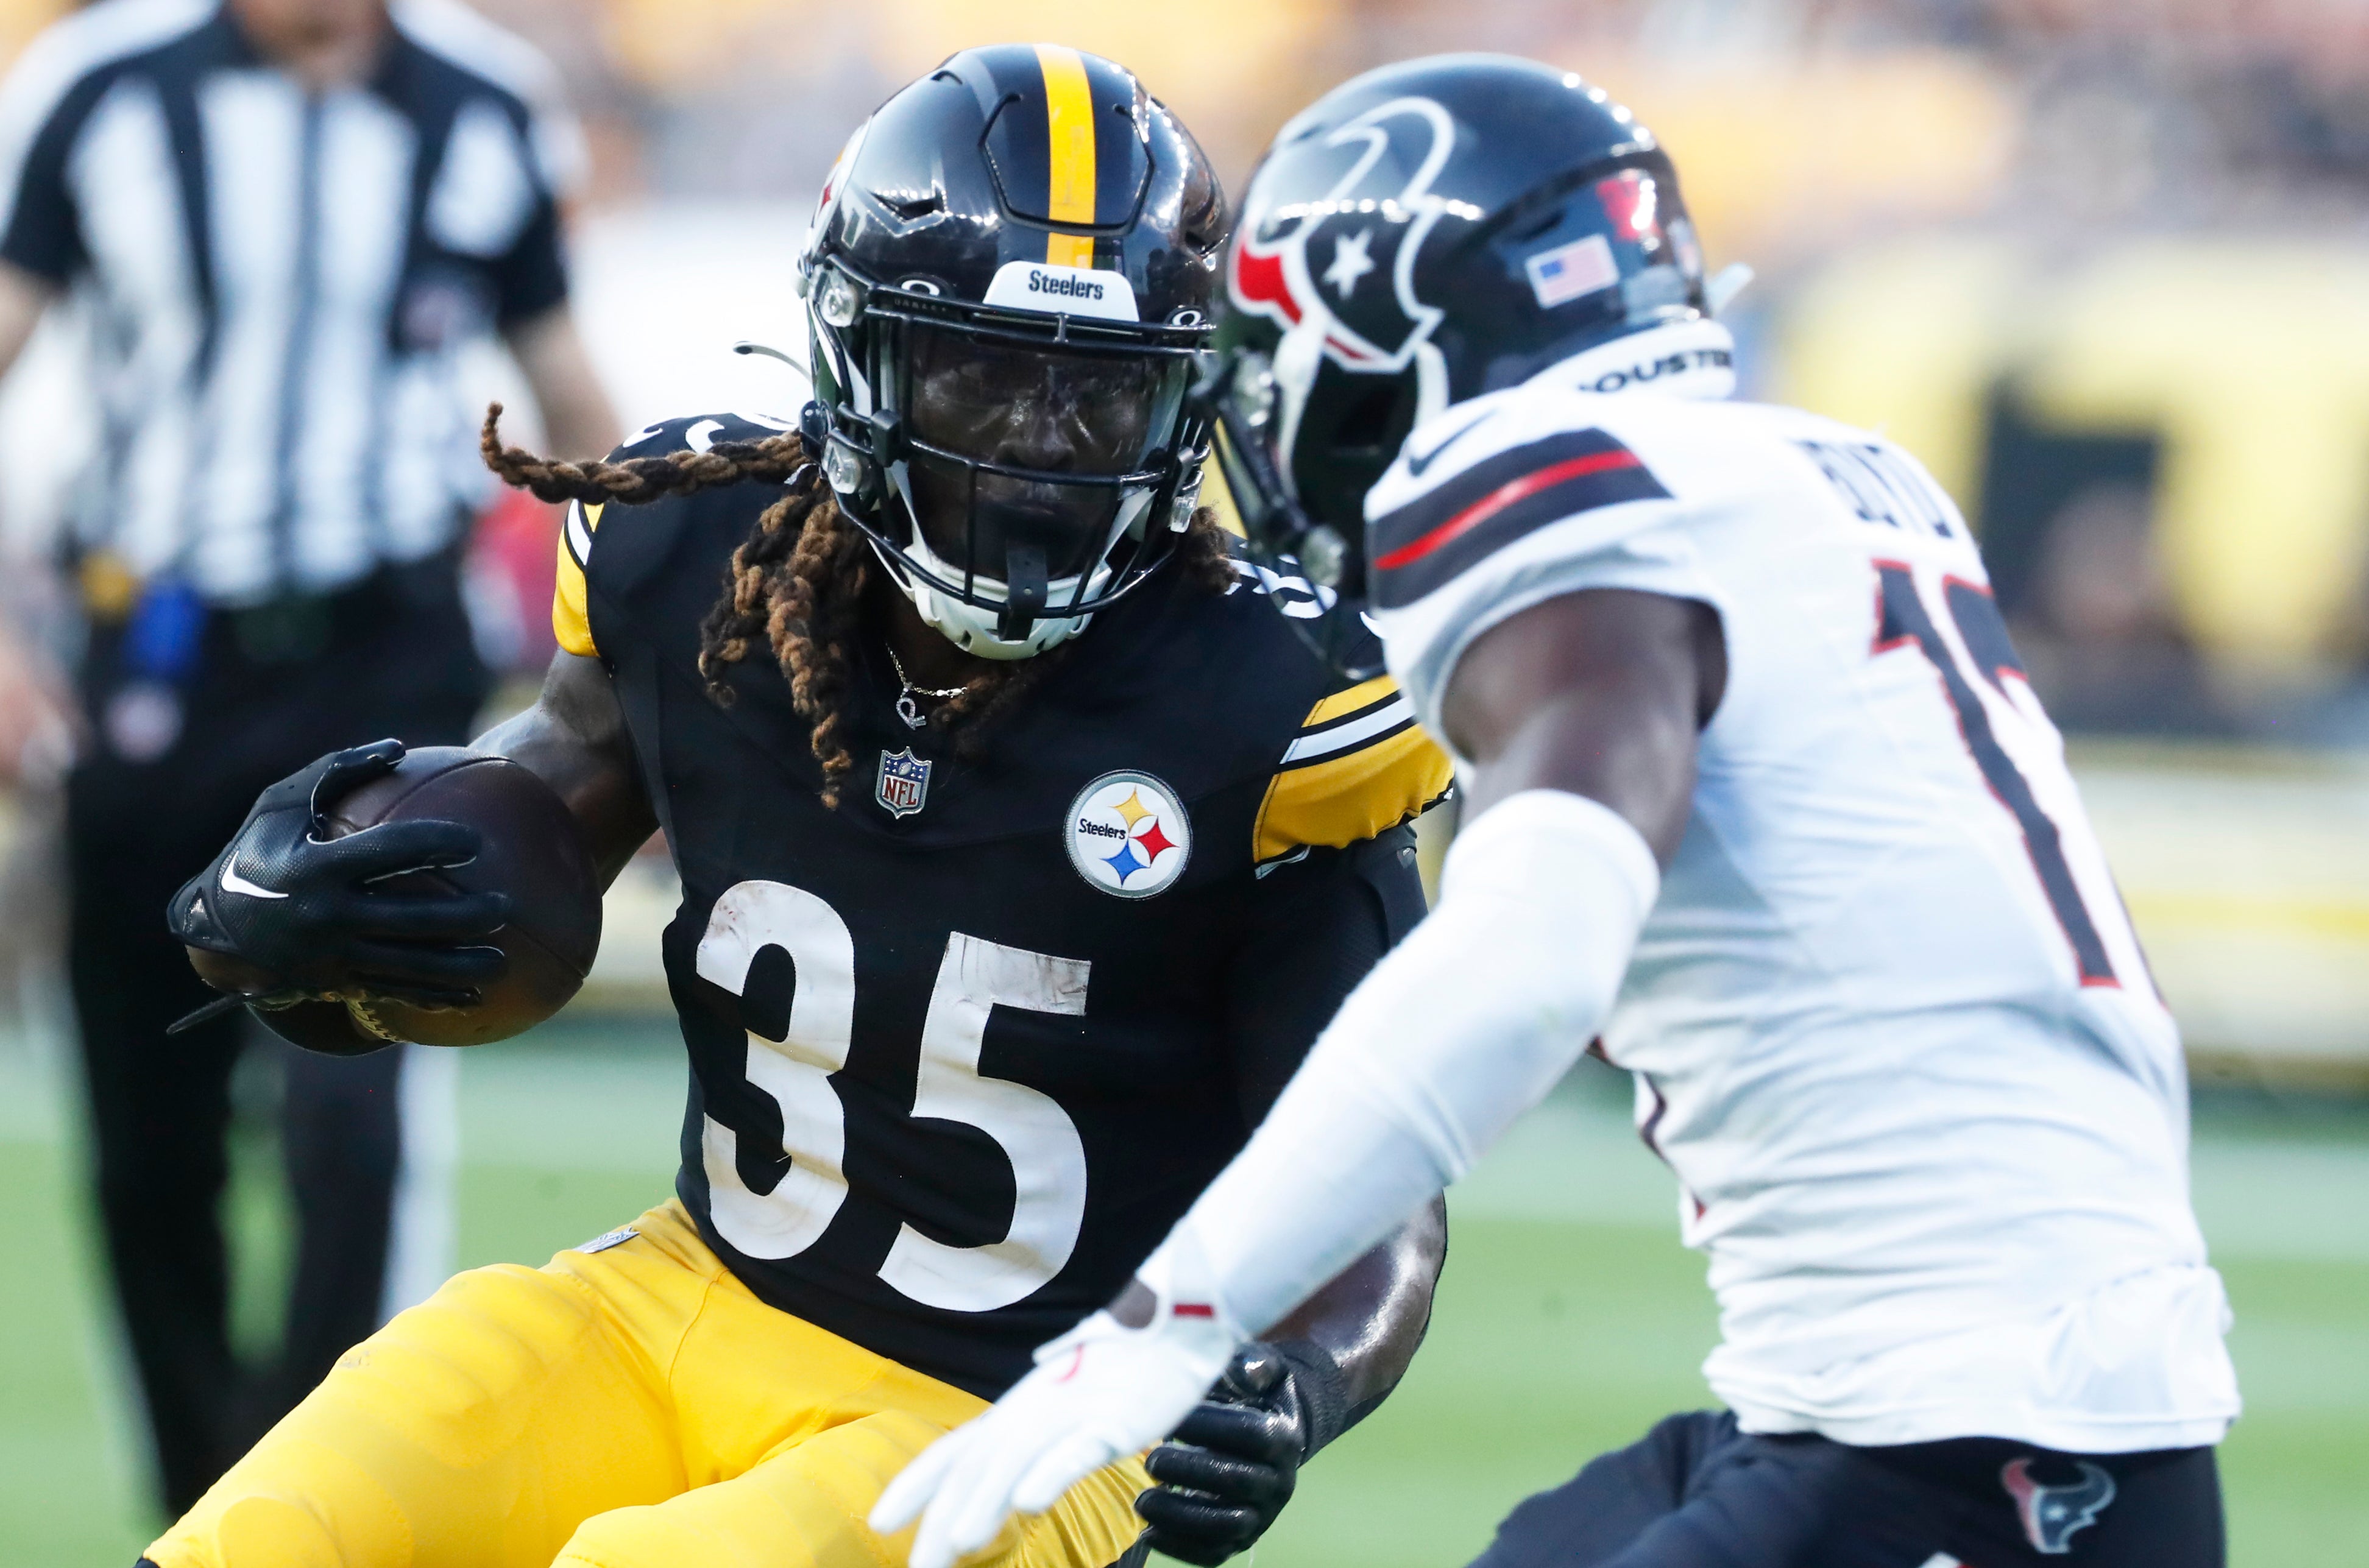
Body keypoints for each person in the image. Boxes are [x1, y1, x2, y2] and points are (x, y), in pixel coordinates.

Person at [873, 55, 2240, 1568]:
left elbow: (1538, 949)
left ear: (1381, 330)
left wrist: (1170, 1314)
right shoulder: (1831, 471)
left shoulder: (1552, 481)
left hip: (1970, 1446)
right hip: (1964, 1416)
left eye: (1273, 360)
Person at [144, 44, 1453, 1568]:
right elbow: (511, 845)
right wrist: (309, 920)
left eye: (1094, 398)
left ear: (1183, 401)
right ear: (858, 359)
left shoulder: (1279, 704)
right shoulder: (693, 560)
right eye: (983, 373)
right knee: (275, 1531)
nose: (1035, 450)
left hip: (1020, 1412)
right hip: (681, 1292)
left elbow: (1383, 1183)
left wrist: (1298, 1382)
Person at [0, 0, 620, 1514]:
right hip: (155, 651)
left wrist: (648, 686)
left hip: (385, 663)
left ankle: (304, 1514)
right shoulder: (104, 88)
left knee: (356, 1119)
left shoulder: (485, 100)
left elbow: (573, 401)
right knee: (153, 1143)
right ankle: (197, 1504)